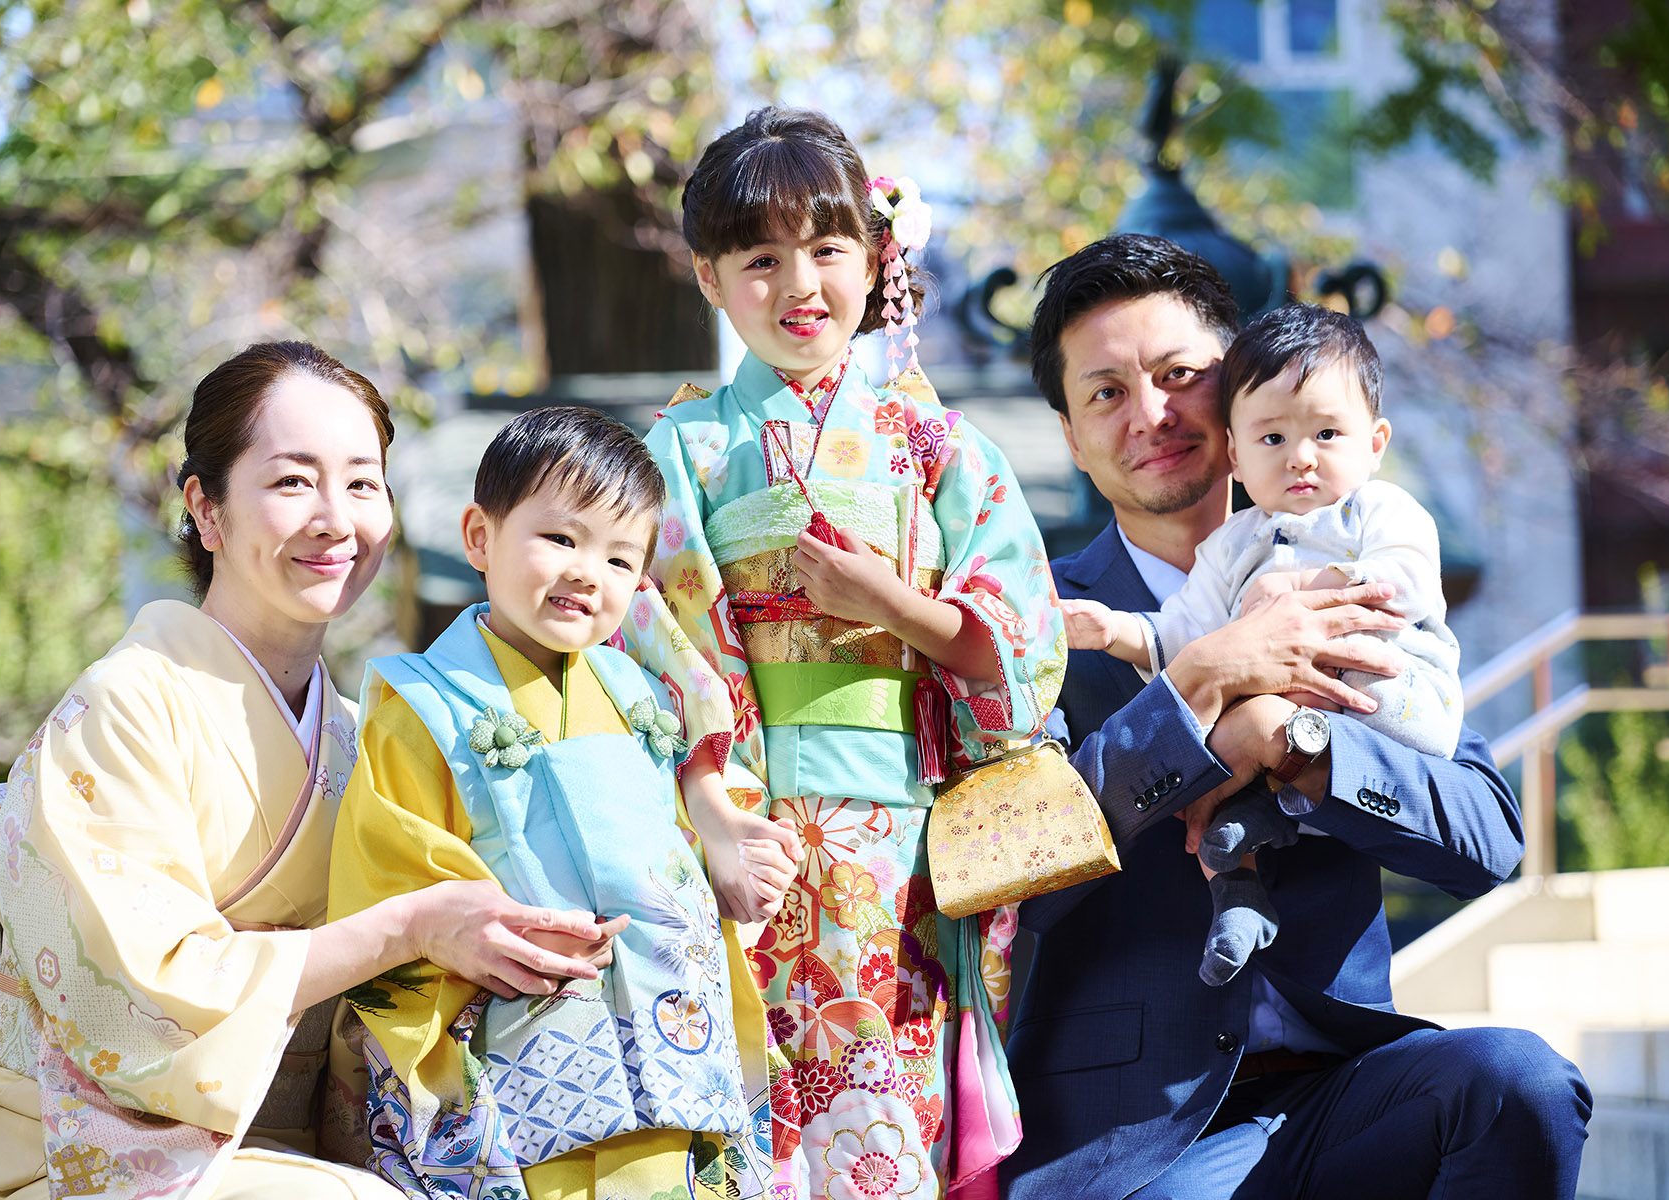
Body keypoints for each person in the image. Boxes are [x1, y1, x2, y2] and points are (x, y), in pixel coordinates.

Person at [0, 342, 615, 1200]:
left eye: (364, 483)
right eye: (293, 482)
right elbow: (145, 999)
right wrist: (407, 929)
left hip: (271, 1162)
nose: (337, 519)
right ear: (206, 511)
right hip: (58, 1152)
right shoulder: (126, 704)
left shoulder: (361, 734)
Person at [1001, 235, 1591, 1200]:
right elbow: (1012, 876)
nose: (1150, 413)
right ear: (1070, 433)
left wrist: (1301, 743)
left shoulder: (1354, 564)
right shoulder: (1034, 625)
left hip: (1345, 1087)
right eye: (1106, 392)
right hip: (1141, 1131)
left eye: (1179, 374)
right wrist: (1197, 684)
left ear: (1235, 395)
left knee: (1514, 1086)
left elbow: (1490, 834)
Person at [625, 106, 1066, 1199]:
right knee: (741, 1130)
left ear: (875, 260)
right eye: (759, 259)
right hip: (740, 842)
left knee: (887, 1133)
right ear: (709, 280)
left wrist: (900, 609)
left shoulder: (941, 447)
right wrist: (715, 803)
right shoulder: (679, 449)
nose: (799, 285)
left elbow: (1027, 645)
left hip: (903, 849)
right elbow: (647, 633)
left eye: (827, 250)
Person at [328, 405, 803, 1200]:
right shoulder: (418, 707)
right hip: (526, 1087)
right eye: (561, 539)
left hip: (675, 1071)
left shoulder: (642, 696)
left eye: (622, 560)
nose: (590, 573)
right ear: (479, 536)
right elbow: (391, 888)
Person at [1062, 302, 1463, 986]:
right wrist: (1116, 631)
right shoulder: (1234, 548)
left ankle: (1274, 768)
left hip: (1394, 704)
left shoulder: (1382, 513)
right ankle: (1238, 895)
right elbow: (1181, 631)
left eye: (1328, 433)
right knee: (1216, 789)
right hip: (1146, 1047)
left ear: (1375, 442)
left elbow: (1405, 583)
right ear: (1238, 454)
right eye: (1272, 439)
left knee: (1518, 1079)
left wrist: (1301, 601)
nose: (1302, 457)